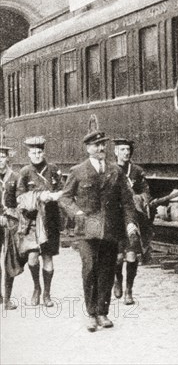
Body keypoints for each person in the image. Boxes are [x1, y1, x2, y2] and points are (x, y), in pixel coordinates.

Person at [60, 131, 138, 332]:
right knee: (89, 268)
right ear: (88, 148)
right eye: (96, 146)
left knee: (106, 270)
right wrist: (76, 212)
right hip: (86, 230)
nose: (101, 148)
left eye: (103, 145)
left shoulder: (115, 171)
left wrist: (130, 223)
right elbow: (65, 198)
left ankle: (103, 312)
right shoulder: (78, 171)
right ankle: (91, 313)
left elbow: (127, 202)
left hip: (110, 229)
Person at [16, 136, 62, 307]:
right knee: (33, 259)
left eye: (40, 152)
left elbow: (63, 190)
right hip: (32, 221)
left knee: (48, 256)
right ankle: (37, 287)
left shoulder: (53, 169)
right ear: (28, 154)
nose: (37, 155)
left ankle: (47, 294)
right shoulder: (25, 172)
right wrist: (37, 197)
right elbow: (19, 197)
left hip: (50, 219)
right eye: (33, 152)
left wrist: (55, 195)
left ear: (44, 152)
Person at [112, 138, 153, 306]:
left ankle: (129, 290)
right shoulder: (111, 170)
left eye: (128, 149)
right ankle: (117, 279)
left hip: (132, 218)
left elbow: (145, 191)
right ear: (116, 152)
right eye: (122, 150)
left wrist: (140, 198)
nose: (126, 153)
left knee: (131, 255)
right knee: (117, 257)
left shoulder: (136, 171)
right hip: (115, 219)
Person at [0, 145, 21, 310]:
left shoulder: (15, 177)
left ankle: (7, 298)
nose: (0, 160)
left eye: (2, 157)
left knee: (9, 260)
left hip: (9, 224)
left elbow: (20, 200)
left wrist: (11, 215)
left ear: (7, 158)